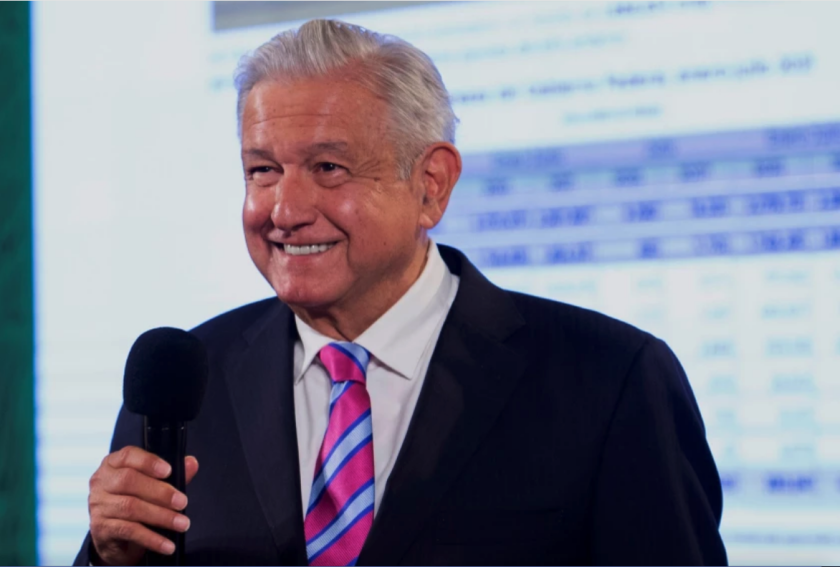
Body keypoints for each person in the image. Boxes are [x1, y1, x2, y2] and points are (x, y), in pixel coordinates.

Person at [74, 19, 727, 566]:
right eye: (263, 170)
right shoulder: (185, 383)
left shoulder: (609, 380)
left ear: (431, 185)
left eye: (329, 168)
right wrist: (109, 556)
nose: (284, 209)